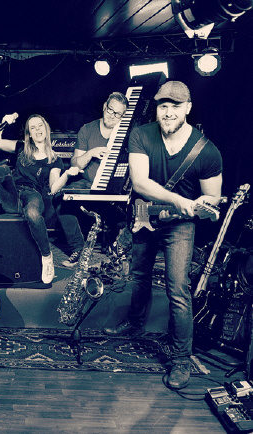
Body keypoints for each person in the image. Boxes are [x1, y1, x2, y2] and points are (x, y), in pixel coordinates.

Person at [103, 81, 222, 391]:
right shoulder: (141, 135)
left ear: (188, 108)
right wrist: (178, 200)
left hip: (180, 225)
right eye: (163, 106)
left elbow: (212, 198)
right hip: (144, 213)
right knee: (140, 275)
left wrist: (200, 206)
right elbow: (140, 182)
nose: (168, 113)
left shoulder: (207, 151)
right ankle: (135, 321)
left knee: (178, 288)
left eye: (175, 106)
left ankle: (181, 359)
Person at [0, 113, 85, 284]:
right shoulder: (21, 147)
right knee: (5, 171)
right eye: (32, 128)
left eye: (40, 126)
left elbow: (54, 187)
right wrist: (4, 122)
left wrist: (67, 174)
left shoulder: (54, 160)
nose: (37, 130)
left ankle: (46, 257)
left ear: (46, 129)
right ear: (29, 134)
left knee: (33, 213)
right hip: (11, 194)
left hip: (32, 194)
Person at [70, 91, 132, 257]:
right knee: (60, 198)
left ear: (123, 116)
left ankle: (118, 247)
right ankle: (77, 248)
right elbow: (75, 164)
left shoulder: (126, 135)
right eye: (110, 110)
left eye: (118, 114)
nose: (112, 116)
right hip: (88, 184)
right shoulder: (87, 129)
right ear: (105, 106)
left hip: (113, 188)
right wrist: (91, 153)